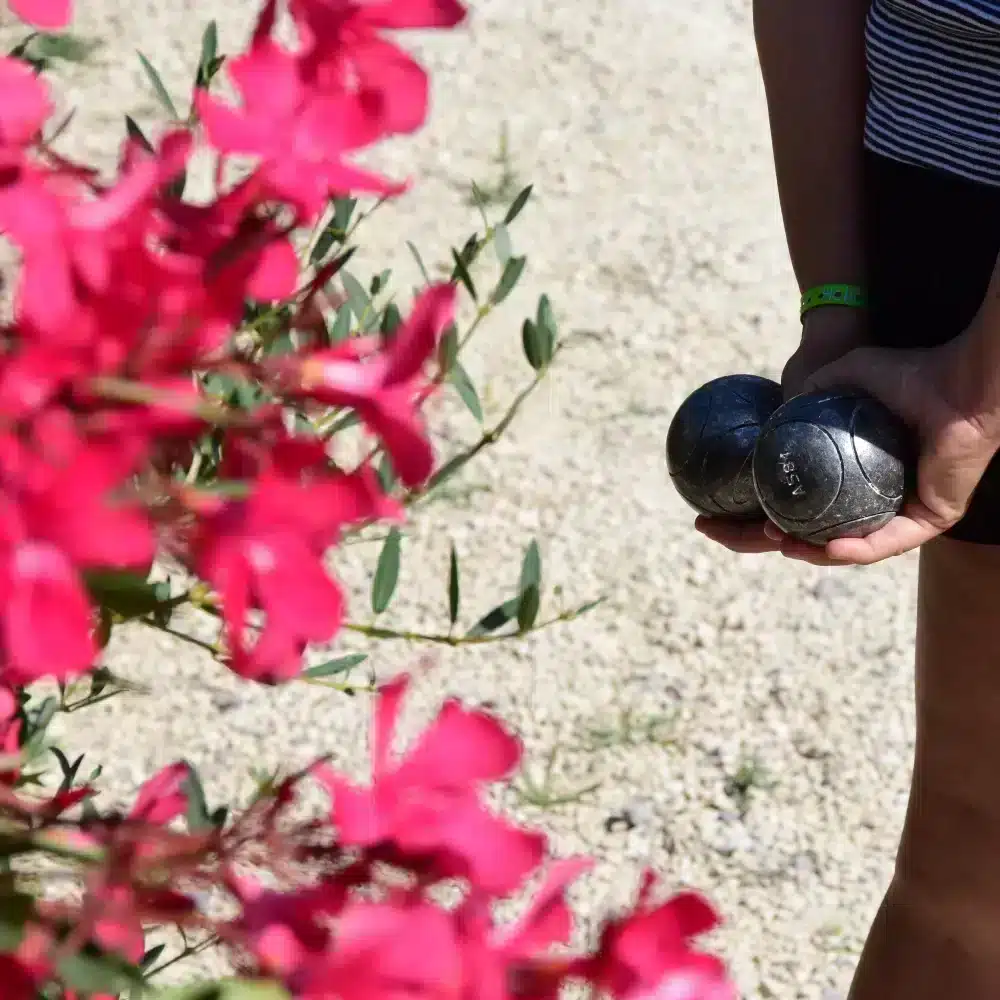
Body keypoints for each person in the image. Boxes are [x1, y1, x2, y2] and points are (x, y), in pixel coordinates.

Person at [697, 1, 1000, 996]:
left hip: (944, 195)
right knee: (971, 876)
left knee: (968, 881)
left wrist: (846, 306)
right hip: (955, 196)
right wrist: (843, 314)